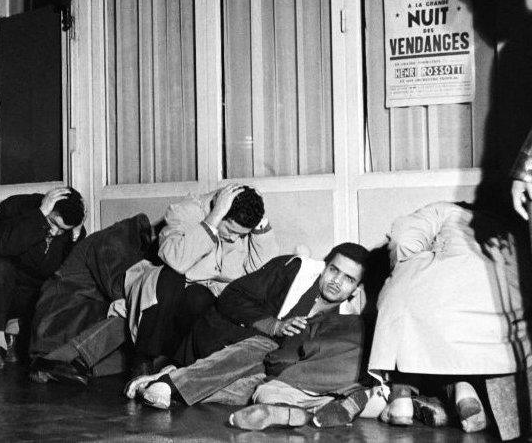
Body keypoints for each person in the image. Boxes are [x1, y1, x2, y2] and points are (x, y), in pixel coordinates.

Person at [126, 243, 371, 429]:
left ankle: (168, 381)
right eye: (333, 270)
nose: (336, 282)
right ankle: (172, 383)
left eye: (348, 279)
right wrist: (274, 325)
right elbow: (231, 297)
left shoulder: (347, 319)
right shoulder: (293, 269)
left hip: (260, 367)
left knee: (261, 388)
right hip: (223, 340)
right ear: (323, 266)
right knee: (268, 344)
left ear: (356, 289)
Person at [368, 202, 526, 433]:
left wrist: (407, 262)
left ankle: (400, 398)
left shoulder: (443, 210)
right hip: (500, 310)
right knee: (444, 347)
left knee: (402, 295)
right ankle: (464, 390)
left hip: (440, 300)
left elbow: (404, 241)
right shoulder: (508, 226)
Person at [122, 184, 277, 373]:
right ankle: (142, 362)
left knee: (200, 297)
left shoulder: (242, 225)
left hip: (202, 297)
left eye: (241, 234)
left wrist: (260, 224)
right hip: (165, 292)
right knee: (173, 277)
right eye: (230, 230)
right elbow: (176, 260)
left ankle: (176, 370)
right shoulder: (185, 211)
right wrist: (212, 221)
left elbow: (262, 270)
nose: (235, 239)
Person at [27, 214, 155, 385]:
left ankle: (77, 365)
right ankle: (50, 361)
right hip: (58, 322)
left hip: (75, 318)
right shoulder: (115, 240)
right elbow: (121, 288)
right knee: (135, 315)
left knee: (148, 337)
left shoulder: (131, 241)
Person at [0, 187, 85, 371]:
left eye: (62, 230)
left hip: (37, 293)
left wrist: (75, 234)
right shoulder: (15, 206)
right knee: (0, 263)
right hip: (3, 289)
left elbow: (70, 271)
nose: (54, 232)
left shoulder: (71, 228)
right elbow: (2, 246)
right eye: (53, 223)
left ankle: (41, 353)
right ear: (47, 206)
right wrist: (39, 215)